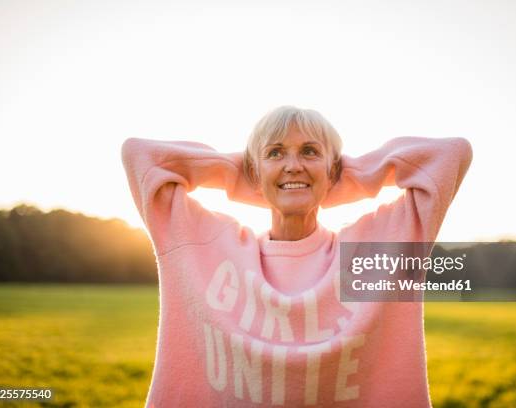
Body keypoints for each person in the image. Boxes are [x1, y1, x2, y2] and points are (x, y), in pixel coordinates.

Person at [121, 106, 473, 407]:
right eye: (275, 153)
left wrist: (334, 181)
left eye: (309, 152)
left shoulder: (372, 253)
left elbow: (452, 154)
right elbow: (139, 155)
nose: (293, 165)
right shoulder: (208, 245)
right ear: (254, 171)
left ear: (334, 169)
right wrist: (247, 177)